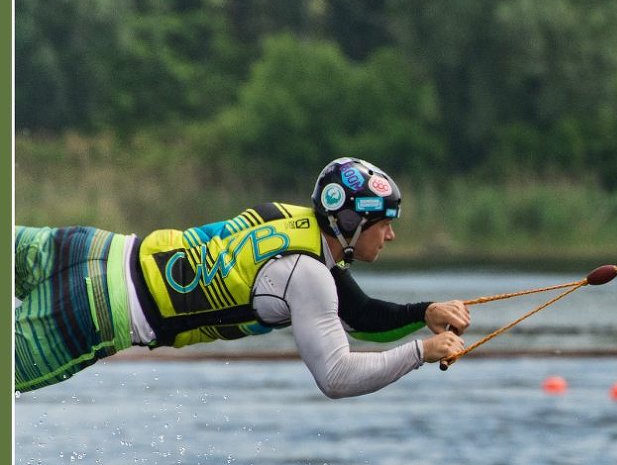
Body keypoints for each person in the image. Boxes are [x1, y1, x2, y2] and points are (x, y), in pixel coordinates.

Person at [14, 156, 470, 398]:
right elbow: (336, 376)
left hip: (85, 248)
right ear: (351, 224)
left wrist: (424, 313)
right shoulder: (306, 274)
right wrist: (420, 352)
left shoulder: (289, 222)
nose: (390, 235)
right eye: (384, 223)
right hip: (92, 312)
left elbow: (361, 314)